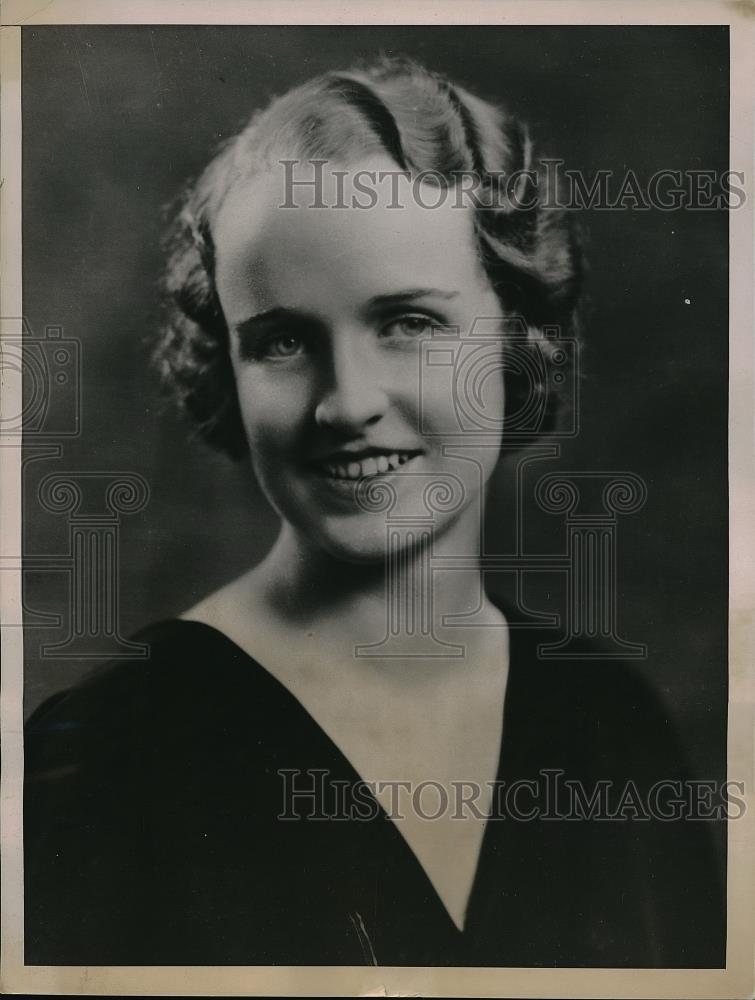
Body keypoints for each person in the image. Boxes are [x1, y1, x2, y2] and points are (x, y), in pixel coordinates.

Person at [24, 58, 725, 967]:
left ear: (516, 340)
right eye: (281, 341)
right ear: (224, 368)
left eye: (408, 323)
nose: (345, 400)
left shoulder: (609, 726)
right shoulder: (104, 764)